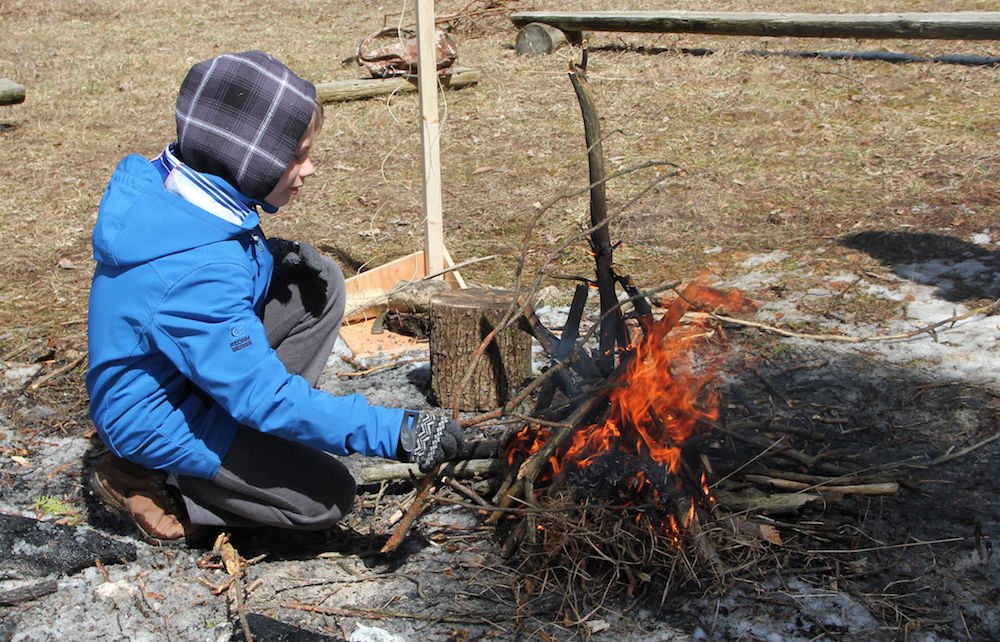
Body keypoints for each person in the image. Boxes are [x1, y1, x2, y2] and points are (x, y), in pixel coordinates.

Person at [86, 50, 466, 546]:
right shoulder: (200, 273)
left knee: (318, 285)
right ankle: (152, 478)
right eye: (297, 156)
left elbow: (225, 270)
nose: (309, 170)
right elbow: (262, 394)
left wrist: (270, 257)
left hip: (181, 370)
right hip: (153, 417)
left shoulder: (183, 181)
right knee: (326, 498)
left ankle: (249, 449)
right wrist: (392, 431)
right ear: (249, 159)